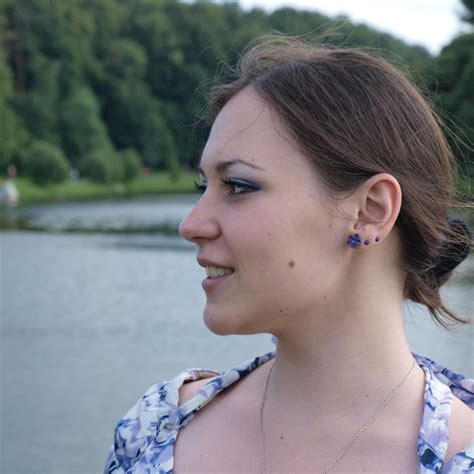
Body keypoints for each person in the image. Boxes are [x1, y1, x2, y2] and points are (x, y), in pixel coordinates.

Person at [104, 36, 474, 473]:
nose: (191, 225)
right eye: (203, 186)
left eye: (238, 186)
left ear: (370, 211)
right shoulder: (155, 430)